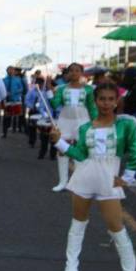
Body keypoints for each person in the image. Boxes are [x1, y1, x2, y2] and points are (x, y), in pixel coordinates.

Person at [50, 81, 136, 271]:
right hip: (84, 177)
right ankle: (71, 264)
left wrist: (126, 178)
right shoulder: (85, 128)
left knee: (116, 226)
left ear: (117, 101)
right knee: (78, 223)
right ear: (96, 100)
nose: (106, 103)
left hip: (108, 180)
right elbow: (81, 155)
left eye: (111, 99)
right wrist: (59, 142)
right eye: (102, 99)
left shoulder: (125, 125)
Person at [50, 63, 97, 192]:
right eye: (71, 71)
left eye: (77, 71)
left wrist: (96, 122)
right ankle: (62, 182)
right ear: (68, 73)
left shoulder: (88, 89)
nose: (74, 73)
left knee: (80, 151)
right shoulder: (61, 88)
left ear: (81, 73)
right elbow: (54, 105)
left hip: (83, 122)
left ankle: (77, 182)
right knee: (62, 149)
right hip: (64, 121)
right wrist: (50, 92)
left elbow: (92, 108)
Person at [3, 66, 25, 137]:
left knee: (19, 115)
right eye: (9, 70)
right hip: (8, 100)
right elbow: (1, 89)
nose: (10, 72)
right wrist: (6, 93)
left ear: (13, 71)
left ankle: (21, 129)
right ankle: (4, 132)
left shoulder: (18, 79)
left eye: (12, 70)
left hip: (16, 100)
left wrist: (15, 92)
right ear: (7, 71)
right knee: (6, 117)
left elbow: (21, 88)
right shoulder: (4, 80)